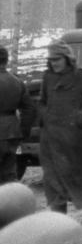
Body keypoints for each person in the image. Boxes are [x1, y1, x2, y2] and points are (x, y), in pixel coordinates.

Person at [39, 40, 82, 227]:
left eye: (57, 59)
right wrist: (46, 118)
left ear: (68, 59)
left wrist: (78, 119)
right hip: (53, 141)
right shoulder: (48, 77)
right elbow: (43, 102)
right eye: (51, 60)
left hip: (79, 141)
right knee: (53, 179)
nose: (54, 63)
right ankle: (59, 218)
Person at [0, 46, 35, 184]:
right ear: (6, 61)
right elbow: (30, 109)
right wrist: (23, 132)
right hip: (12, 133)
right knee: (9, 176)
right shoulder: (17, 82)